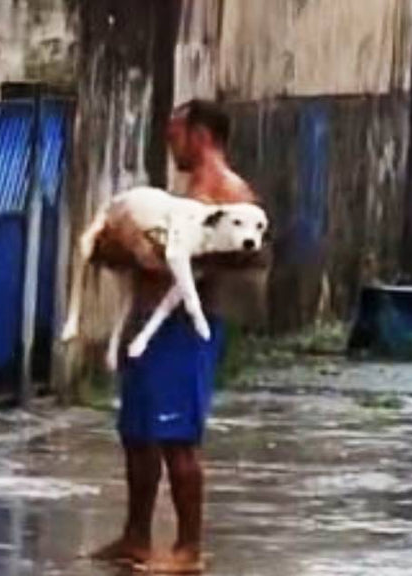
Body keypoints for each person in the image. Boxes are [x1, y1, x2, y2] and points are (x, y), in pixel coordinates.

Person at [89, 99, 264, 574]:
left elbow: (238, 257)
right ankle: (136, 536)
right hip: (150, 323)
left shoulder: (230, 196)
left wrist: (152, 259)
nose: (171, 145)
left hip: (186, 328)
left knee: (178, 439)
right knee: (138, 434)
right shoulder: (192, 191)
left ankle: (188, 548)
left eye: (175, 136)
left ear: (200, 136)